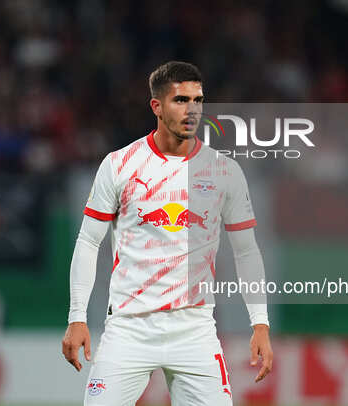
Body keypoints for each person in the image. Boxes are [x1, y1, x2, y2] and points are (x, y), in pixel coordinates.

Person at [62, 61, 273, 405]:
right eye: (181, 100)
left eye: (198, 100)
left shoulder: (224, 171)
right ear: (156, 107)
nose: (192, 109)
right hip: (129, 328)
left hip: (194, 330)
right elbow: (88, 242)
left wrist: (260, 323)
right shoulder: (119, 164)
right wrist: (77, 317)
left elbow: (246, 251)